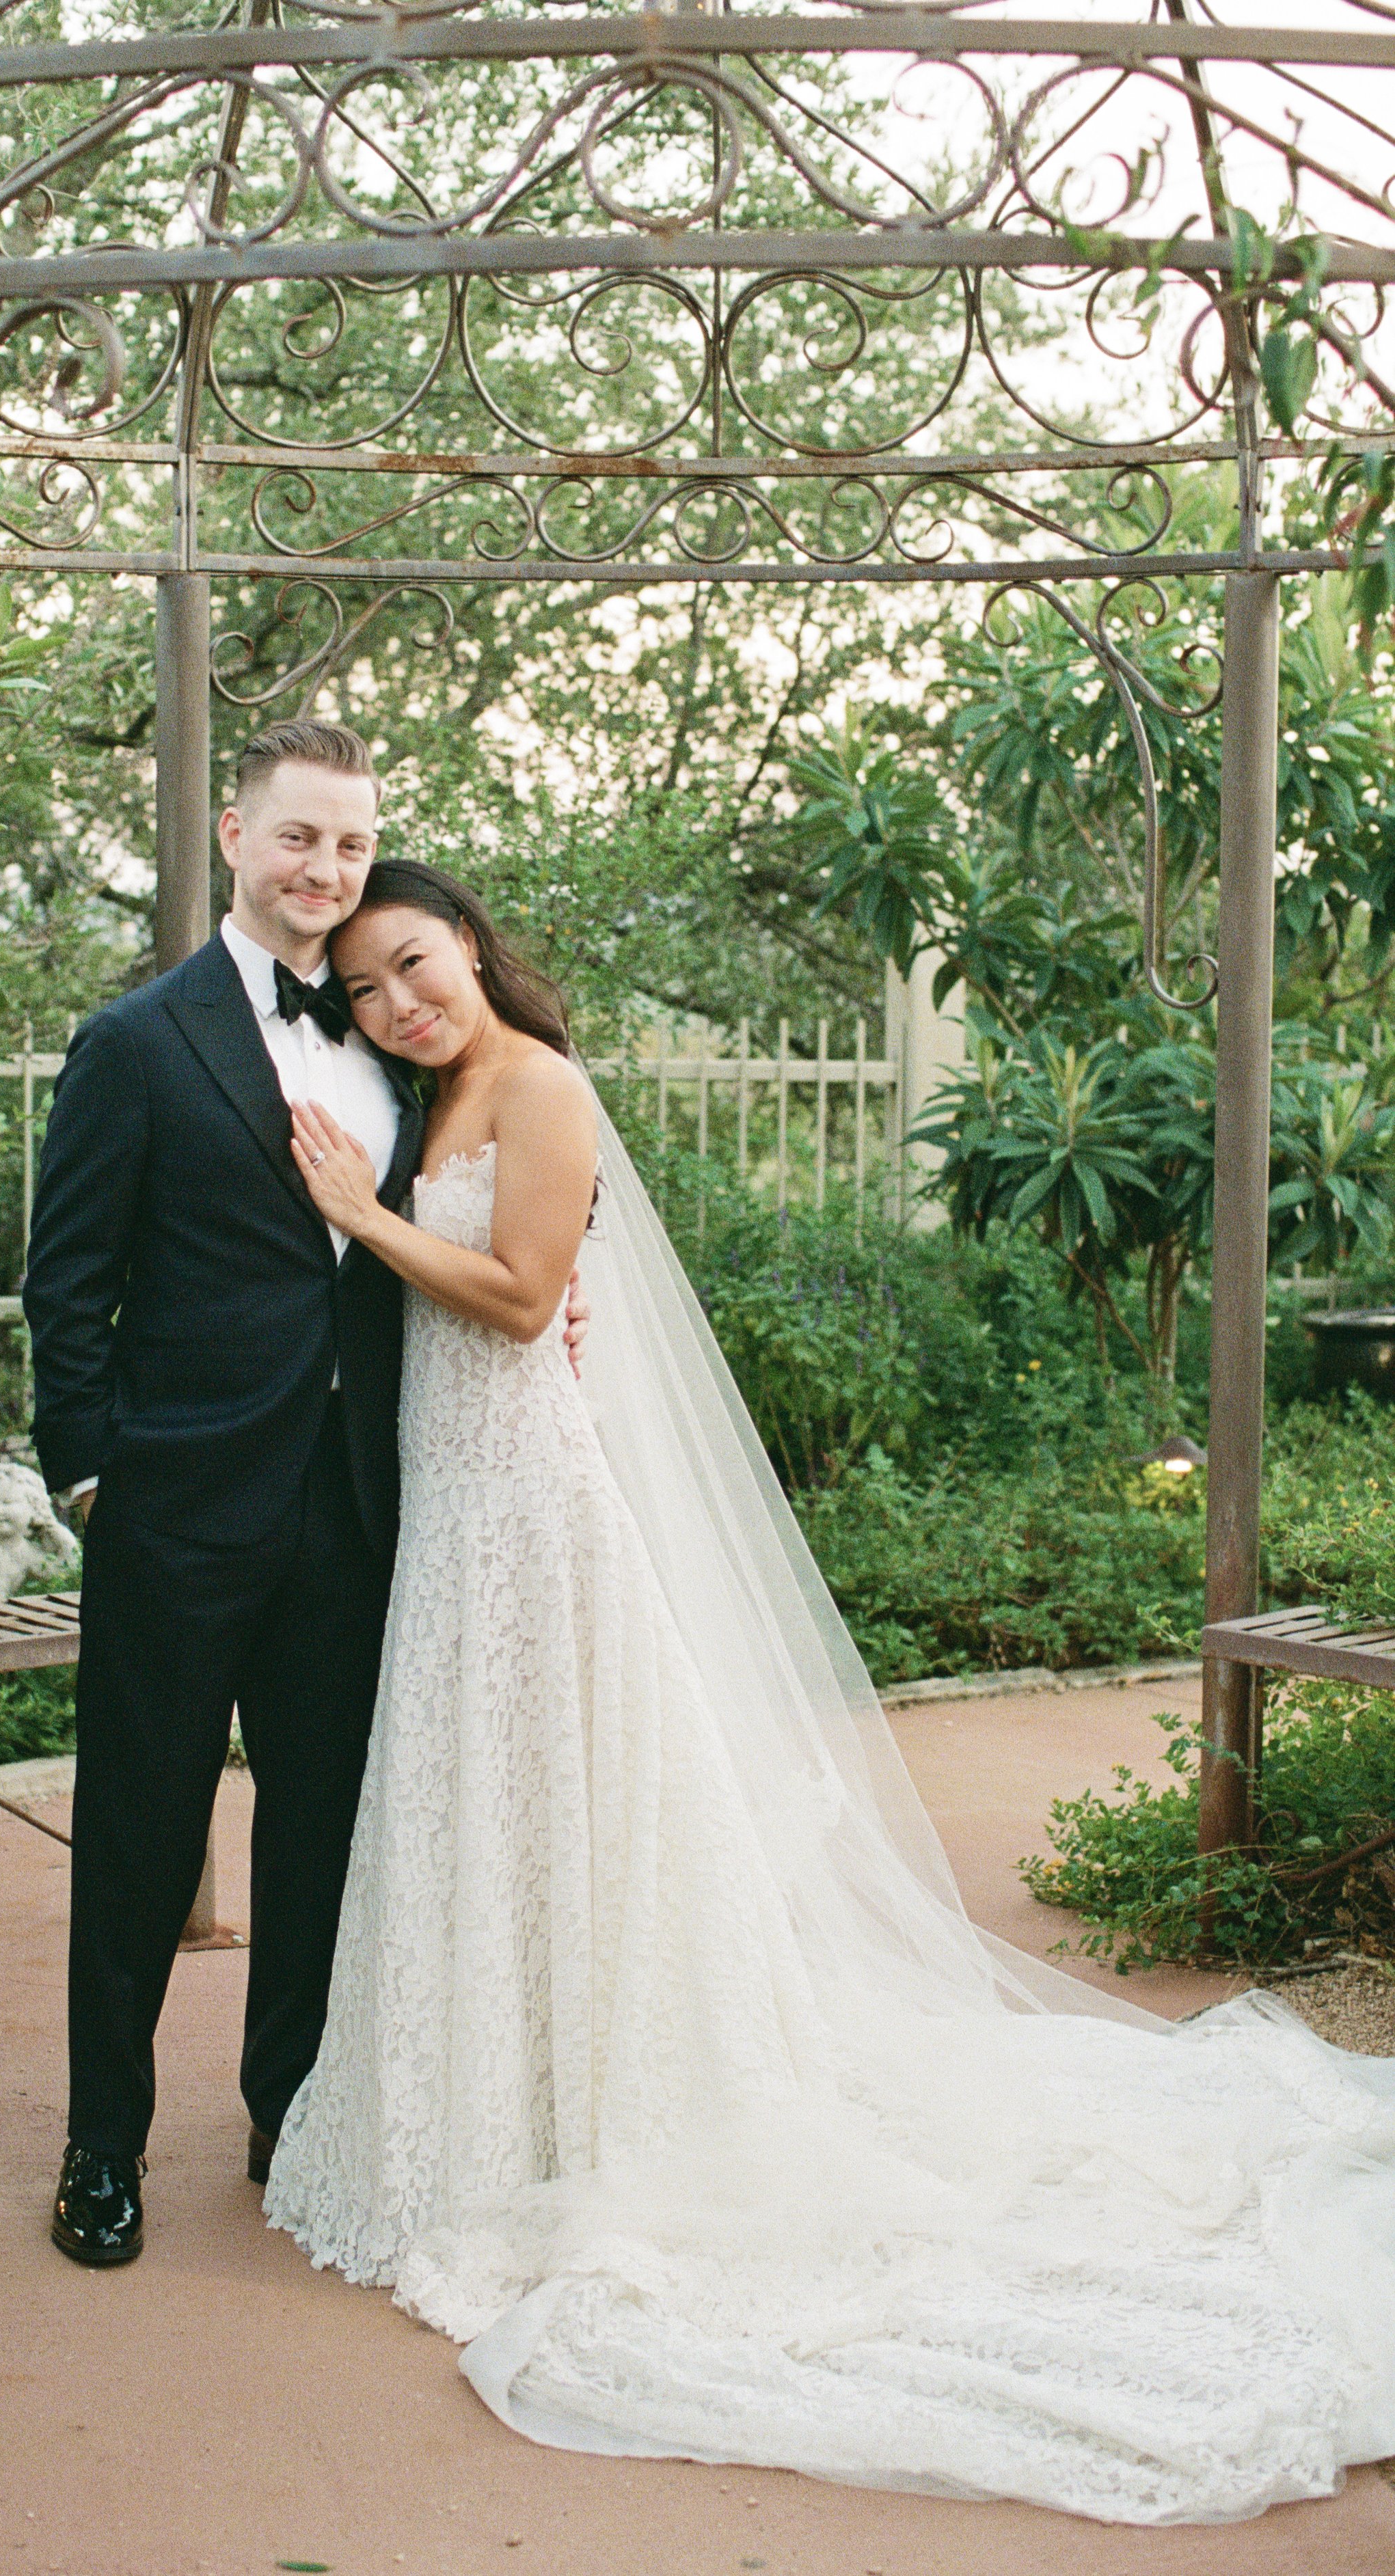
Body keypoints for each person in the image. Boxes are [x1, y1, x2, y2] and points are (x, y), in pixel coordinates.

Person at [265, 855, 1395, 2525]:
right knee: (487, 1792)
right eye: (362, 987)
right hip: (456, 1504)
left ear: (474, 949)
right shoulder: (429, 1095)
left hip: (532, 1505)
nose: (393, 1003)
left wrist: (359, 1218)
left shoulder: (542, 1084)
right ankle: (499, 2094)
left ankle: (597, 2098)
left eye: (412, 963)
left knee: (568, 1783)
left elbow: (517, 1303)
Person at [23, 722, 586, 2266]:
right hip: (175, 1511)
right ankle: (101, 2146)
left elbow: (485, 1232)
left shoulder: (396, 1039)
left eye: (350, 844)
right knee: (139, 1832)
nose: (325, 869)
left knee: (325, 1829)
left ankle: (290, 2110)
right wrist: (94, 1478)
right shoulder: (136, 1043)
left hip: (358, 1509)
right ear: (234, 835)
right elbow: (66, 1285)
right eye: (299, 837)